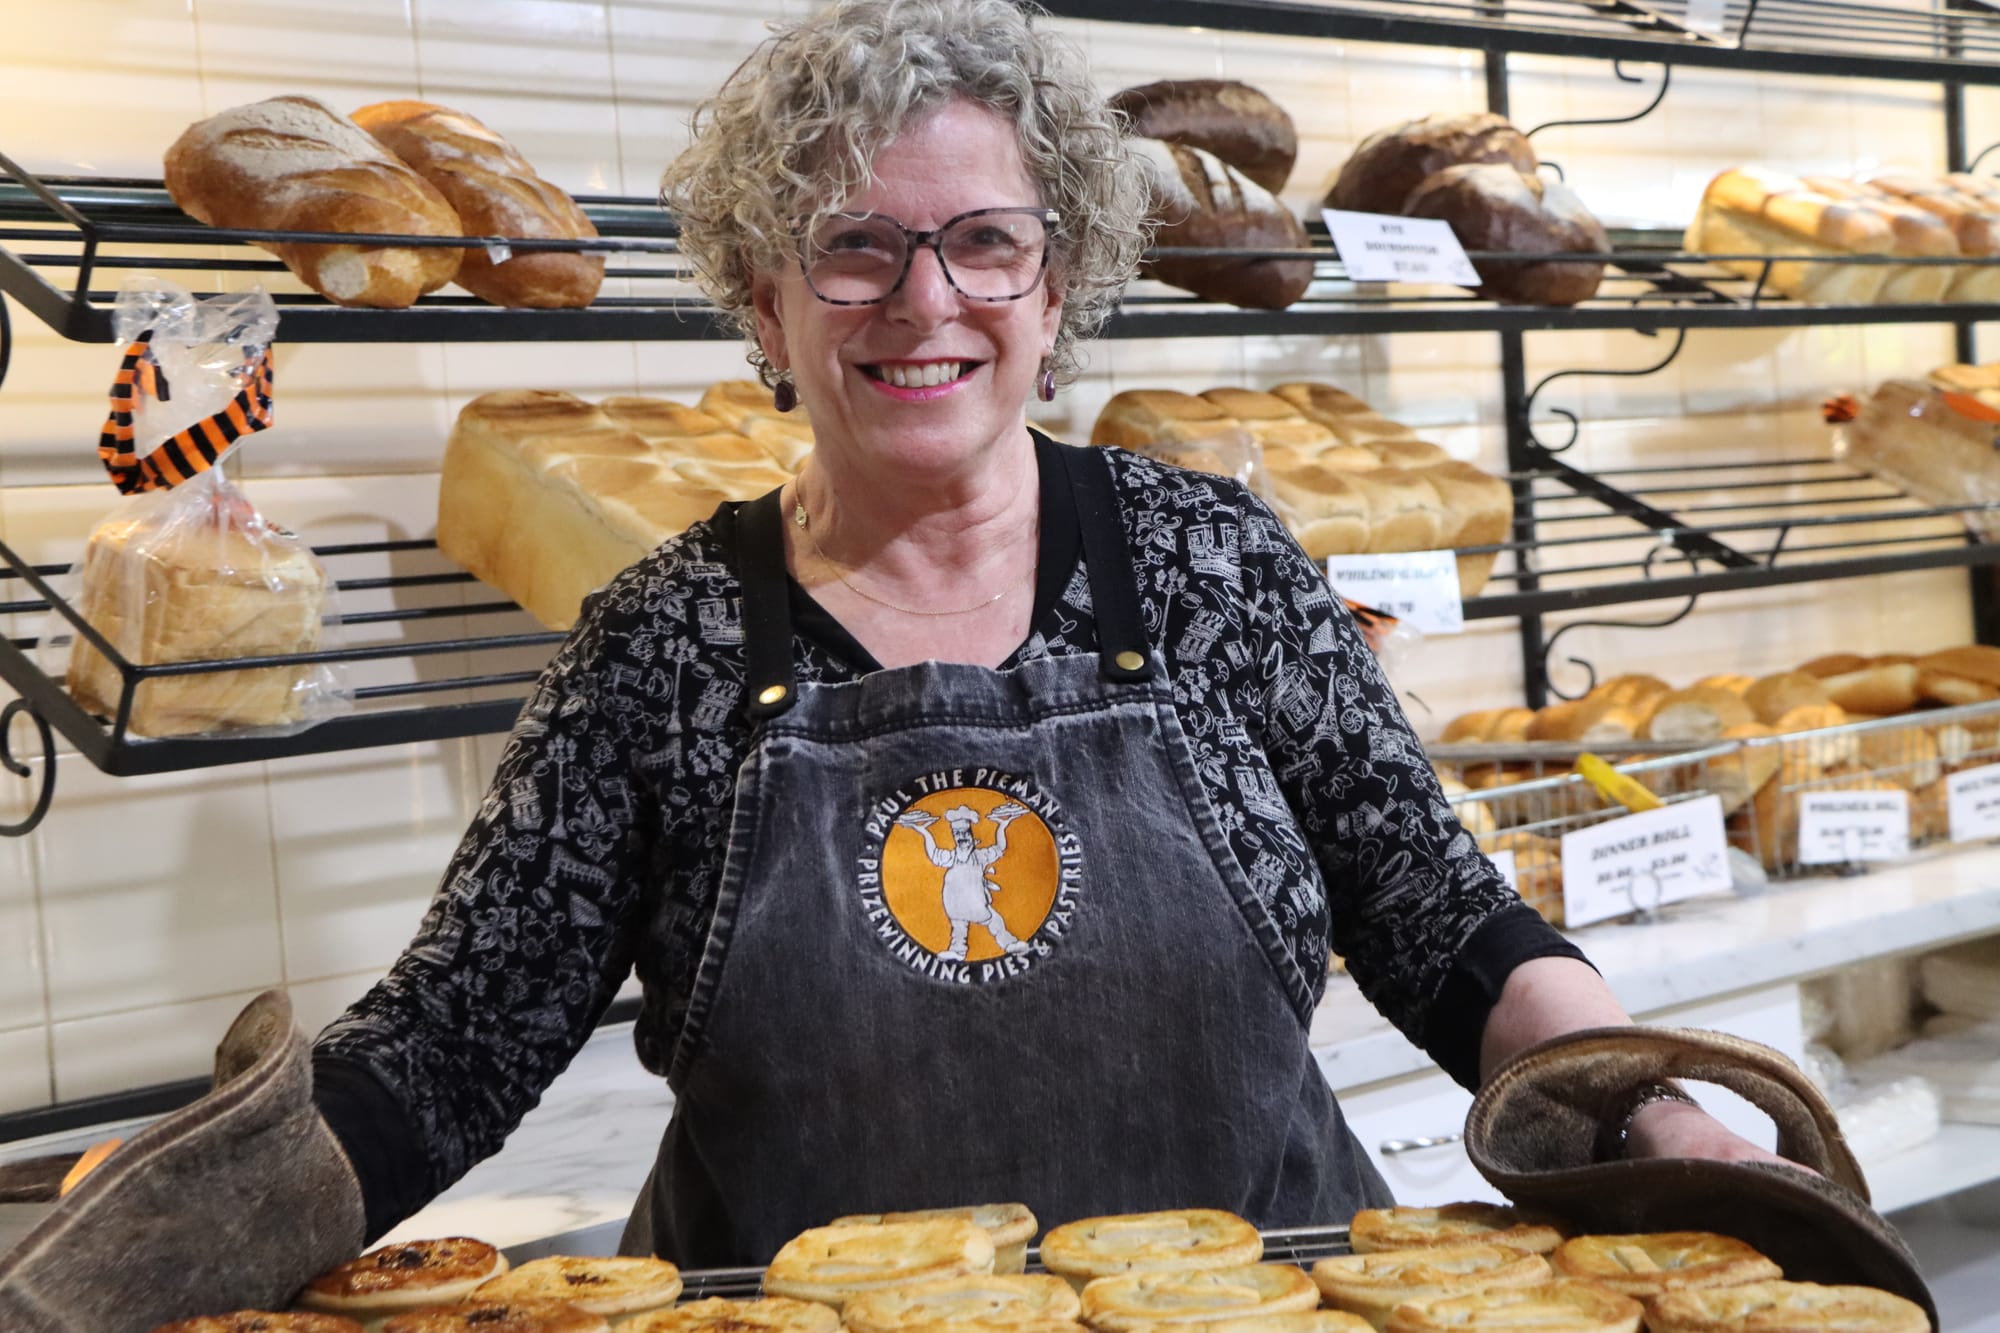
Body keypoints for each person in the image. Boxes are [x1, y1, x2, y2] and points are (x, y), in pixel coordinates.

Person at [1, 2, 1792, 1325]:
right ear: (764, 306)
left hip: (1267, 1303)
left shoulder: (1215, 561)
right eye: (852, 249)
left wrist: (1646, 1093)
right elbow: (458, 1038)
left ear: (1057, 285)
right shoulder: (664, 640)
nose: (924, 302)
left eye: (983, 243)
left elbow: (1437, 912)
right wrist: (135, 1240)